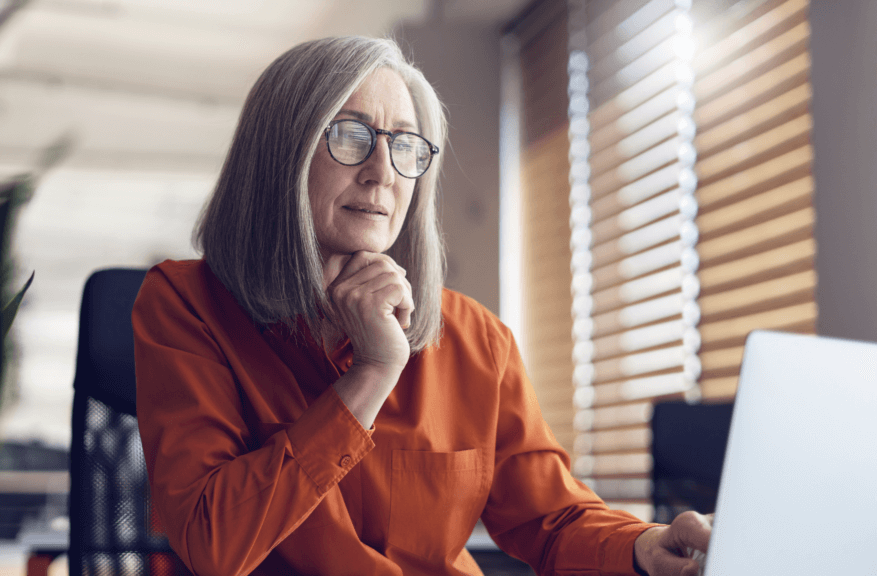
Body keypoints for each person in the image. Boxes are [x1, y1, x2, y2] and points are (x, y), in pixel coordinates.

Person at [132, 36, 711, 576]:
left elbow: (551, 518)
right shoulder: (187, 304)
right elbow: (213, 541)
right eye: (350, 135)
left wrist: (645, 549)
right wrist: (373, 375)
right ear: (282, 153)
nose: (382, 172)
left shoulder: (476, 339)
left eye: (405, 145)